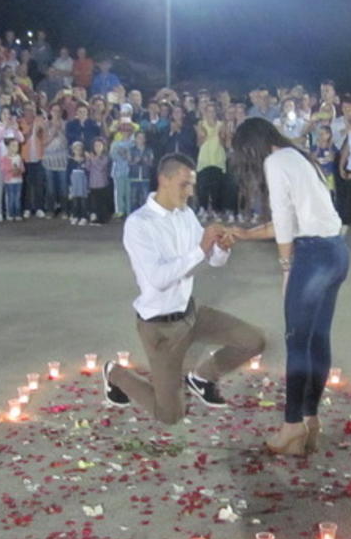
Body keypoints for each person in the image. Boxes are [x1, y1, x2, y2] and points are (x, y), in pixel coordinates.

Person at [102, 152, 264, 425]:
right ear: (163, 180)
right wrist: (202, 249)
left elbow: (213, 261)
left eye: (192, 185)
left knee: (254, 341)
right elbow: (160, 278)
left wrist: (221, 249)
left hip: (191, 313)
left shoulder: (185, 214)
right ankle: (114, 373)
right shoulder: (139, 224)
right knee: (170, 415)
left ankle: (201, 377)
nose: (190, 192)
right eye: (184, 184)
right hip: (160, 328)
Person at [228, 118, 345, 454]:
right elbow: (293, 219)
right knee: (317, 340)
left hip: (312, 258)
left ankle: (291, 426)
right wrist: (246, 234)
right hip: (336, 252)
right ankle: (310, 418)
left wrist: (286, 269)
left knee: (297, 342)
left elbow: (283, 223)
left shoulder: (274, 161)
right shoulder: (297, 157)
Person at [195, 101, 227, 219]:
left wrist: (221, 137)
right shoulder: (201, 124)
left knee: (216, 187)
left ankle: (215, 210)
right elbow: (198, 143)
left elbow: (224, 143)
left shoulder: (221, 124)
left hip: (217, 158)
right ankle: (203, 209)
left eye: (213, 111)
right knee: (203, 186)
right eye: (208, 111)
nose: (211, 113)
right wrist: (203, 136)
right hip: (205, 158)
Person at [86, 137, 112, 225]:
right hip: (93, 182)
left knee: (102, 201)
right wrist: (88, 159)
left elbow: (100, 167)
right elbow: (88, 168)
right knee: (95, 202)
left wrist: (93, 159)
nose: (97, 147)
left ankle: (104, 218)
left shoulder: (105, 157)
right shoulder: (92, 156)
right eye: (95, 145)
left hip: (102, 182)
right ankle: (97, 217)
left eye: (99, 145)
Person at [128, 130, 154, 211]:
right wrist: (135, 161)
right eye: (139, 137)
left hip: (145, 177)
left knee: (145, 199)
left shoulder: (149, 150)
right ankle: (133, 217)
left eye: (142, 138)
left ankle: (144, 217)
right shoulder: (131, 150)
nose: (141, 139)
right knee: (133, 199)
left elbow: (151, 163)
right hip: (134, 177)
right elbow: (129, 163)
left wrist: (146, 161)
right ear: (135, 139)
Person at [1, 138, 25, 222]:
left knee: (17, 198)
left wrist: (19, 170)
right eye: (13, 146)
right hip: (9, 181)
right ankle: (11, 214)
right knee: (11, 197)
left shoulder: (19, 157)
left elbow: (22, 168)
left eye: (17, 146)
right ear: (8, 147)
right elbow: (3, 169)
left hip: (18, 181)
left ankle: (18, 213)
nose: (16, 148)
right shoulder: (4, 158)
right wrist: (12, 170)